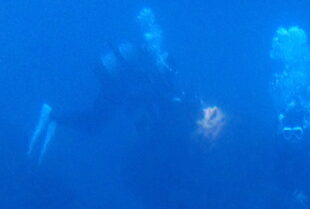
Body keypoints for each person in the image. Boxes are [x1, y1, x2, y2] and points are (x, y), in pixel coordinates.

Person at [28, 8, 200, 164]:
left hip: (112, 81)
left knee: (95, 123)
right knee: (94, 124)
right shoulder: (150, 65)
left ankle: (55, 118)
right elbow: (146, 91)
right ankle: (53, 116)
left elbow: (150, 90)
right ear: (165, 66)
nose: (167, 76)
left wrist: (174, 95)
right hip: (113, 82)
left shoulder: (150, 65)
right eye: (168, 73)